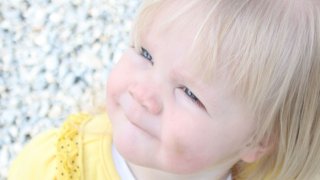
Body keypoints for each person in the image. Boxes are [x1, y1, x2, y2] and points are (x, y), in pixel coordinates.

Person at [8, 0, 320, 179]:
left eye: (189, 93)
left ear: (257, 140)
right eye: (145, 54)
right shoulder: (52, 168)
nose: (144, 94)